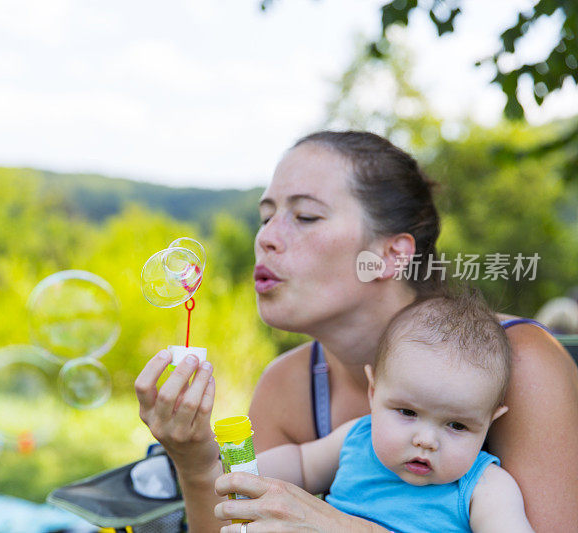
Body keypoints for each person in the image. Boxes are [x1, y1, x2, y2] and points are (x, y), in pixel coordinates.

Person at [134, 131, 578, 532]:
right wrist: (194, 460)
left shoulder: (520, 362)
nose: (266, 237)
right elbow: (237, 524)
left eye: (305, 216)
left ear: (389, 254)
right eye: (266, 216)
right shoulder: (287, 385)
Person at [257, 290, 533, 532]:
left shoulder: (485, 488)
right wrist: (228, 470)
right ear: (373, 392)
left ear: (489, 421)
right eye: (407, 412)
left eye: (457, 426)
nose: (425, 440)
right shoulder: (357, 439)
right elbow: (300, 464)